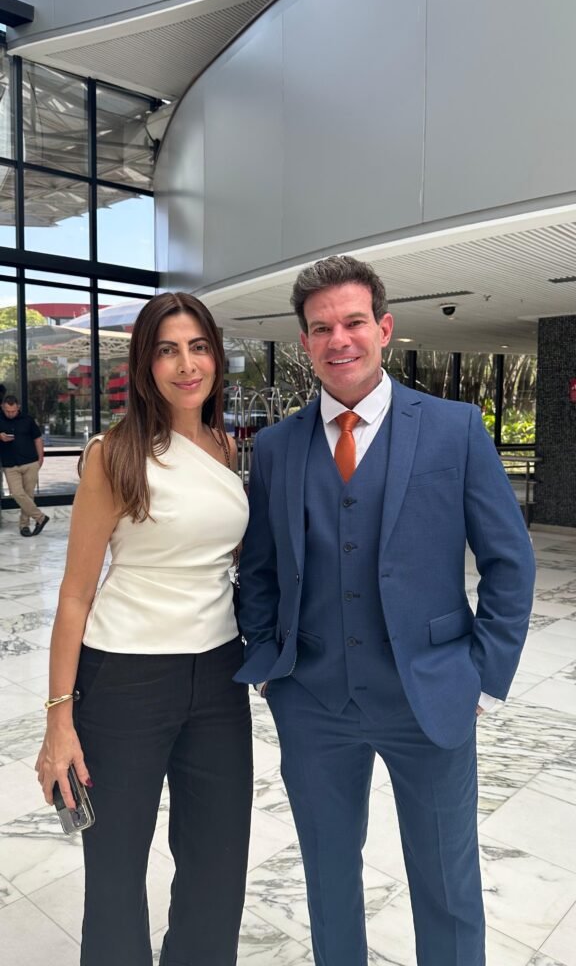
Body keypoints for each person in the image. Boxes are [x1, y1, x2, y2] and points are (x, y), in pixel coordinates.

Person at [234, 255, 535, 966]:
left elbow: (510, 561)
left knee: (447, 881)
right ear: (305, 341)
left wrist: (481, 675)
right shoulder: (275, 447)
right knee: (328, 875)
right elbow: (261, 568)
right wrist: (271, 666)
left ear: (385, 328)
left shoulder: (456, 428)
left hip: (429, 696)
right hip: (312, 701)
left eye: (353, 322)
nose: (339, 339)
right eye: (321, 328)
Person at [35, 292, 253, 966]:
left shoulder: (226, 447)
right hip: (125, 675)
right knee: (116, 867)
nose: (186, 365)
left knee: (219, 861)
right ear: (144, 364)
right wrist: (59, 719)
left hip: (219, 674)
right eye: (167, 350)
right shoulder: (115, 453)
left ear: (215, 357)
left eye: (198, 347)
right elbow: (75, 594)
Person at [0, 395, 49, 537]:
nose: (10, 414)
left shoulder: (28, 420)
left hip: (30, 463)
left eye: (13, 411)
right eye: (7, 411)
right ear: (2, 407)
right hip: (10, 465)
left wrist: (40, 458)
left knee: (28, 495)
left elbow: (38, 439)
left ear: (18, 408)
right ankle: (40, 517)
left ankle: (24, 526)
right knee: (16, 493)